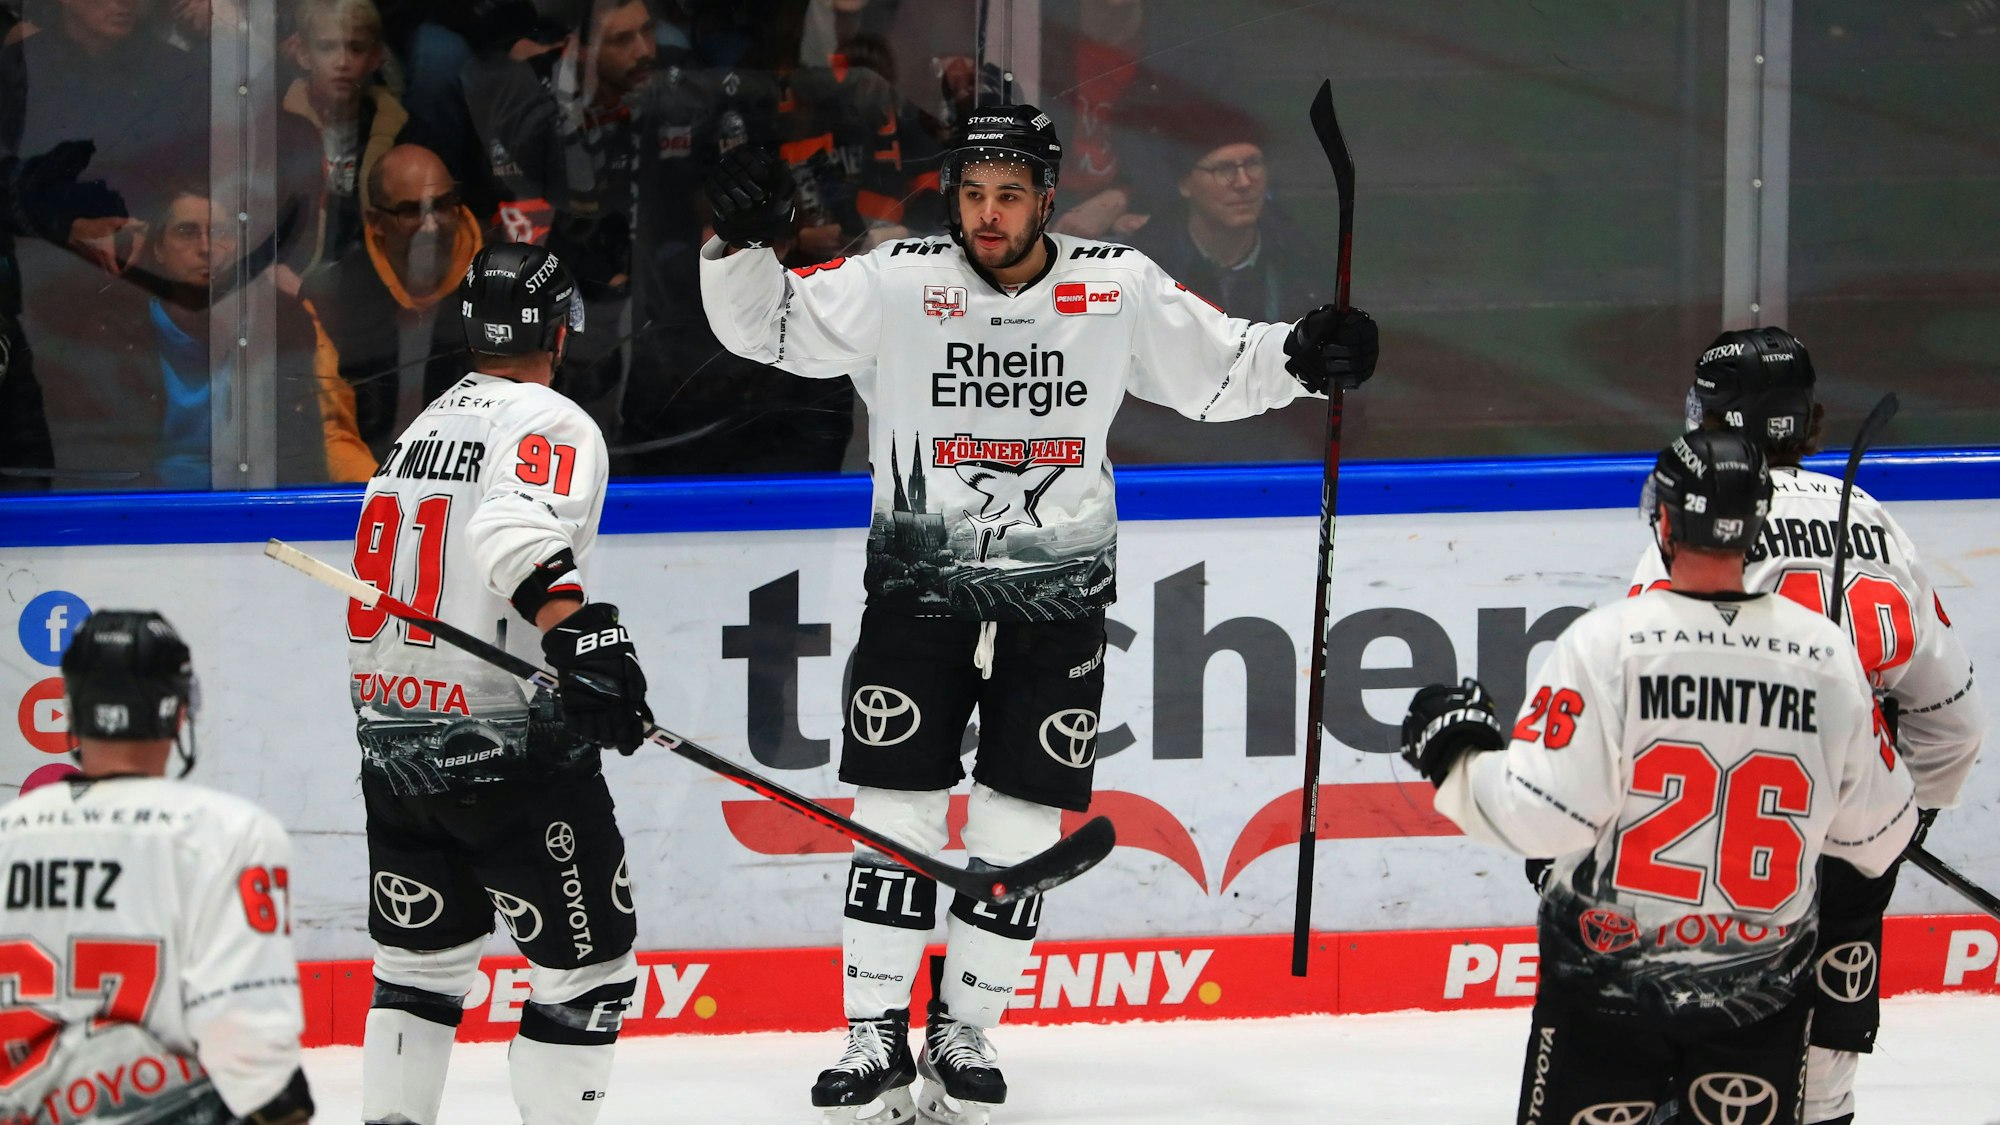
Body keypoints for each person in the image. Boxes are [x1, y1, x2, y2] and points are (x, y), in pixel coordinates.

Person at [700, 104, 1379, 1124]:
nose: (987, 213)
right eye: (972, 193)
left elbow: (1219, 366)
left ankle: (965, 1027)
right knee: (895, 810)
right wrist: (734, 242)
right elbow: (769, 327)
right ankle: (871, 1027)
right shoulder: (897, 279)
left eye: (1008, 194)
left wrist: (1303, 352)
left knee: (1019, 818)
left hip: (1056, 596)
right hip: (918, 586)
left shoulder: (1114, 284)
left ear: (1046, 197)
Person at [1400, 431, 1918, 1125]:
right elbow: (1882, 836)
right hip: (1761, 993)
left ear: (1666, 521)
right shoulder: (1825, 654)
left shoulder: (1609, 644)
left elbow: (1542, 817)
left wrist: (1457, 758)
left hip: (1607, 985)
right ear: (1755, 524)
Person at [1625, 328, 1986, 1125]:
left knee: (1700, 1087)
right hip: (1848, 860)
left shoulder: (1700, 518)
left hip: (1723, 861)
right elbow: (1952, 724)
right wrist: (1890, 822)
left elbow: (1639, 699)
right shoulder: (1876, 520)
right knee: (1819, 1096)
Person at [348, 241, 652, 1125]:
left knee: (419, 968)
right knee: (586, 971)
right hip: (506, 748)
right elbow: (516, 525)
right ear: (560, 331)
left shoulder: (422, 428)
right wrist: (584, 640)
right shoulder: (550, 421)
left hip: (395, 742)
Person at [0, 610, 315, 1123]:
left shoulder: (7, 835)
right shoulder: (228, 834)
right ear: (178, 712)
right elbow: (251, 1044)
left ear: (73, 710)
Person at [34, 185, 330, 488]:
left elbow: (302, 454)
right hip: (149, 517)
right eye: (187, 232)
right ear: (158, 250)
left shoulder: (279, 323)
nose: (207, 247)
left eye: (221, 233)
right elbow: (101, 461)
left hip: (254, 514)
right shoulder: (112, 331)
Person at [303, 142, 483, 459]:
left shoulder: (501, 284)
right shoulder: (330, 297)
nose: (431, 225)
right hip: (366, 489)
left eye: (442, 205)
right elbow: (334, 434)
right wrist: (384, 499)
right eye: (411, 211)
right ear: (375, 221)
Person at [279, 0, 410, 280]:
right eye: (326, 47)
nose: (342, 62)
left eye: (356, 48)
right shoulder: (278, 126)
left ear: (376, 56)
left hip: (371, 278)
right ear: (302, 53)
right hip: (290, 275)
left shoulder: (396, 127)